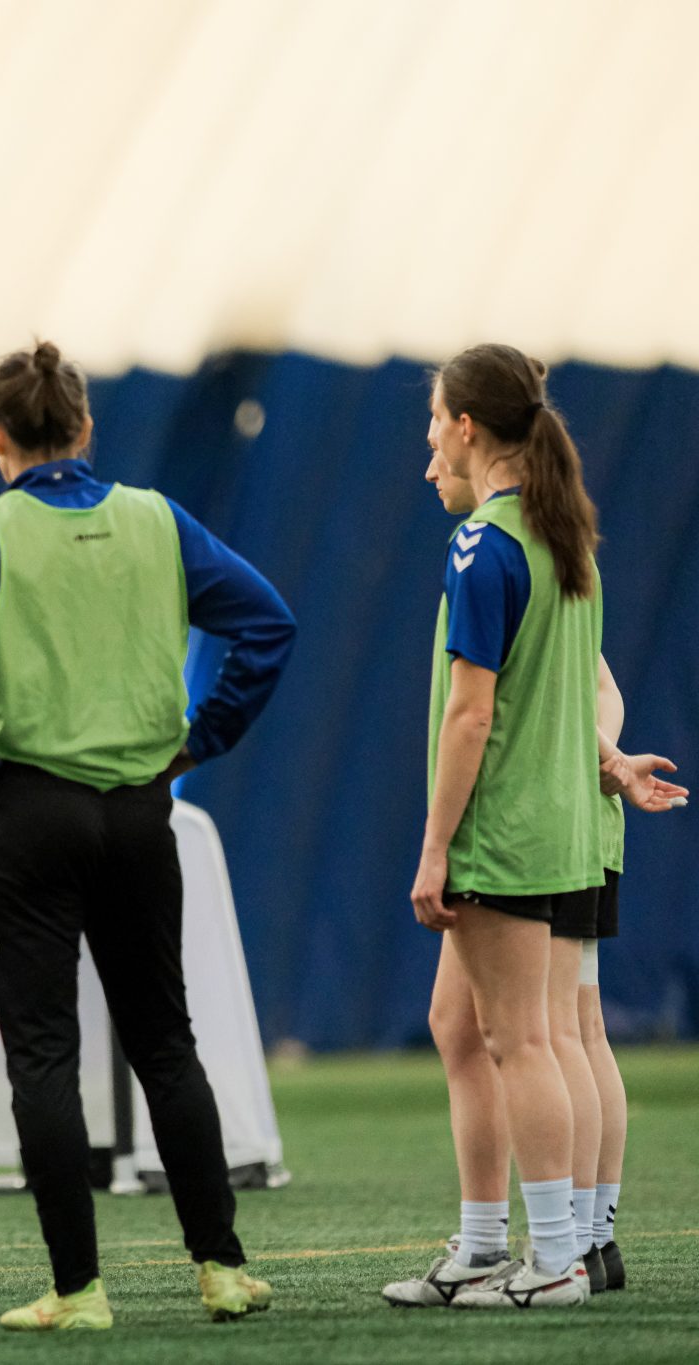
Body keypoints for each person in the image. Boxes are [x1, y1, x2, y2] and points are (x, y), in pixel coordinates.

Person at [0, 341, 295, 1331]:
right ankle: (220, 1268)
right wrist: (200, 734)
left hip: (25, 811)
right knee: (165, 1039)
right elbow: (265, 625)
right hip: (135, 810)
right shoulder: (155, 519)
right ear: (81, 427)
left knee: (42, 1054)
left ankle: (77, 1290)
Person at [385, 356, 683, 1310]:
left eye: (434, 420)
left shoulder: (486, 544)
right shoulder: (564, 541)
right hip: (558, 821)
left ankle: (556, 1256)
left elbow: (473, 715)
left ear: (468, 424)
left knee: (530, 1038)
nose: (428, 439)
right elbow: (573, 691)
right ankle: (504, 1245)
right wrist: (613, 761)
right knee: (484, 1027)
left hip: (505, 829)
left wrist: (435, 845)